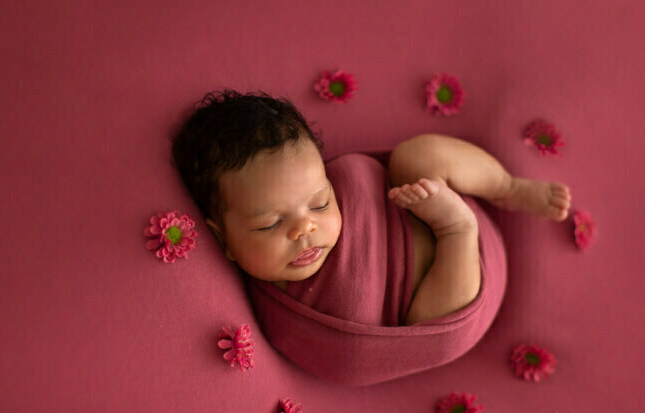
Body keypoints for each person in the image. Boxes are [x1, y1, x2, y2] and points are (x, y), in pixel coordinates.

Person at [171, 89, 571, 326]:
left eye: (320, 202)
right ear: (222, 237)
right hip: (456, 286)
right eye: (270, 224)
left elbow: (366, 183)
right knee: (427, 318)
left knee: (416, 157)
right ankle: (458, 230)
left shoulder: (339, 188)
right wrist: (452, 235)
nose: (304, 228)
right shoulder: (289, 315)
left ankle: (506, 187)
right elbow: (355, 354)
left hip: (410, 209)